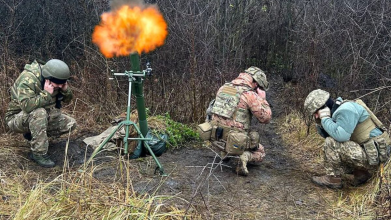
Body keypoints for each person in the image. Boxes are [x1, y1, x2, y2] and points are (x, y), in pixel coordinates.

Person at [304, 89, 391, 189]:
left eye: (316, 112)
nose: (315, 116)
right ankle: (361, 174)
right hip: (372, 154)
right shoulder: (338, 109)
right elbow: (328, 134)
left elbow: (341, 136)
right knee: (334, 141)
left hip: (379, 158)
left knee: (331, 143)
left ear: (323, 107)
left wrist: (325, 119)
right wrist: (321, 122)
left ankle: (333, 179)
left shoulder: (346, 109)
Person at [5, 59, 77, 168]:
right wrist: (46, 94)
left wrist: (65, 90)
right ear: (48, 78)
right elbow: (27, 106)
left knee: (70, 124)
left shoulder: (57, 79)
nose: (60, 86)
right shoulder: (28, 79)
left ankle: (34, 136)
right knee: (40, 113)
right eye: (58, 84)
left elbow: (67, 100)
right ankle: (38, 154)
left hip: (39, 116)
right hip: (16, 118)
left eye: (63, 83)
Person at [208, 66, 272, 176]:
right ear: (256, 83)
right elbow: (265, 118)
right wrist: (262, 99)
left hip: (215, 138)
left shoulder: (224, 87)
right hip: (235, 141)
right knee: (261, 152)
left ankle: (225, 153)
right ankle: (243, 157)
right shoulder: (249, 94)